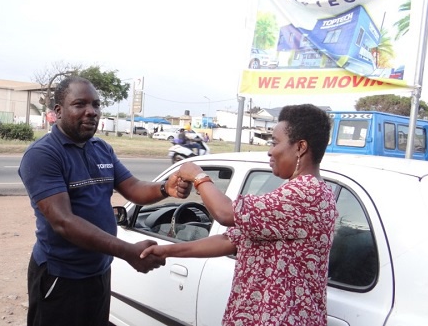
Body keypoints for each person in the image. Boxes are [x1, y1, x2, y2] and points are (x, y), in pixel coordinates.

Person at [141, 104, 338, 326]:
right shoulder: (302, 193)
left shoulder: (305, 193)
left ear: (300, 147)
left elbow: (225, 213)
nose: (270, 151)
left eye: (275, 142)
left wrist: (198, 176)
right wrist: (166, 250)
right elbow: (231, 239)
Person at [18, 76, 192, 326]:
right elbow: (63, 222)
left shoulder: (102, 148)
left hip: (99, 271)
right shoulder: (43, 155)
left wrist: (166, 187)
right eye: (80, 104)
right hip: (61, 275)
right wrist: (128, 251)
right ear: (58, 111)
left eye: (96, 105)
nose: (91, 112)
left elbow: (132, 187)